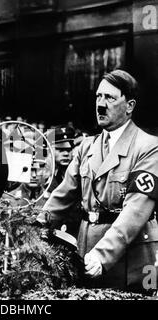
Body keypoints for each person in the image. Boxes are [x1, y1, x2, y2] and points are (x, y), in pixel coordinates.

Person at [37, 69, 158, 293]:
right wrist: (34, 229)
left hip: (130, 259)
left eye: (110, 98)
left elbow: (136, 211)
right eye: (98, 97)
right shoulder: (87, 147)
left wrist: (103, 255)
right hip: (87, 250)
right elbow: (62, 197)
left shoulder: (148, 147)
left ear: (129, 106)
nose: (100, 105)